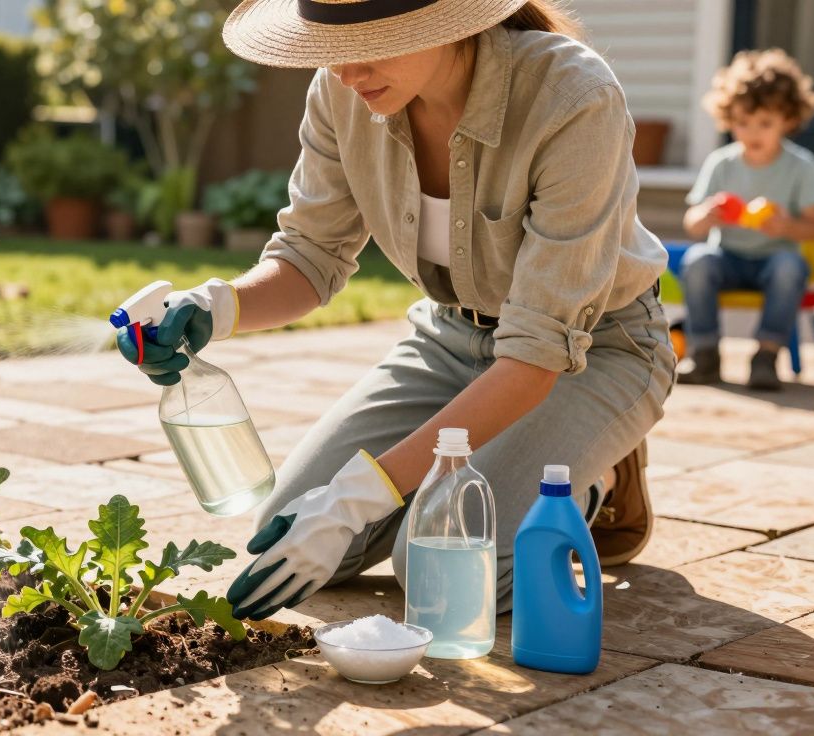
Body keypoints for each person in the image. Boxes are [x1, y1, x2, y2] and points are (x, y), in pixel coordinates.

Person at [114, 0, 673, 621]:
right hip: (450, 339)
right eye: (330, 45)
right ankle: (480, 473)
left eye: (370, 42)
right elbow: (310, 254)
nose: (345, 72)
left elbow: (536, 353)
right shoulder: (342, 90)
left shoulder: (572, 95)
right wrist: (217, 306)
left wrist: (359, 499)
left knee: (439, 576)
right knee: (289, 525)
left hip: (590, 352)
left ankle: (590, 476)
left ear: (444, 23)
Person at [678, 49, 814, 390]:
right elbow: (692, 223)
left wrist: (788, 227)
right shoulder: (722, 163)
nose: (752, 132)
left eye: (765, 123)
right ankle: (706, 353)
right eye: (742, 122)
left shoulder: (800, 166)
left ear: (788, 119)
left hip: (774, 260)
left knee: (790, 266)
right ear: (728, 118)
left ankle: (766, 356)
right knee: (697, 260)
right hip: (728, 258)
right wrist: (707, 215)